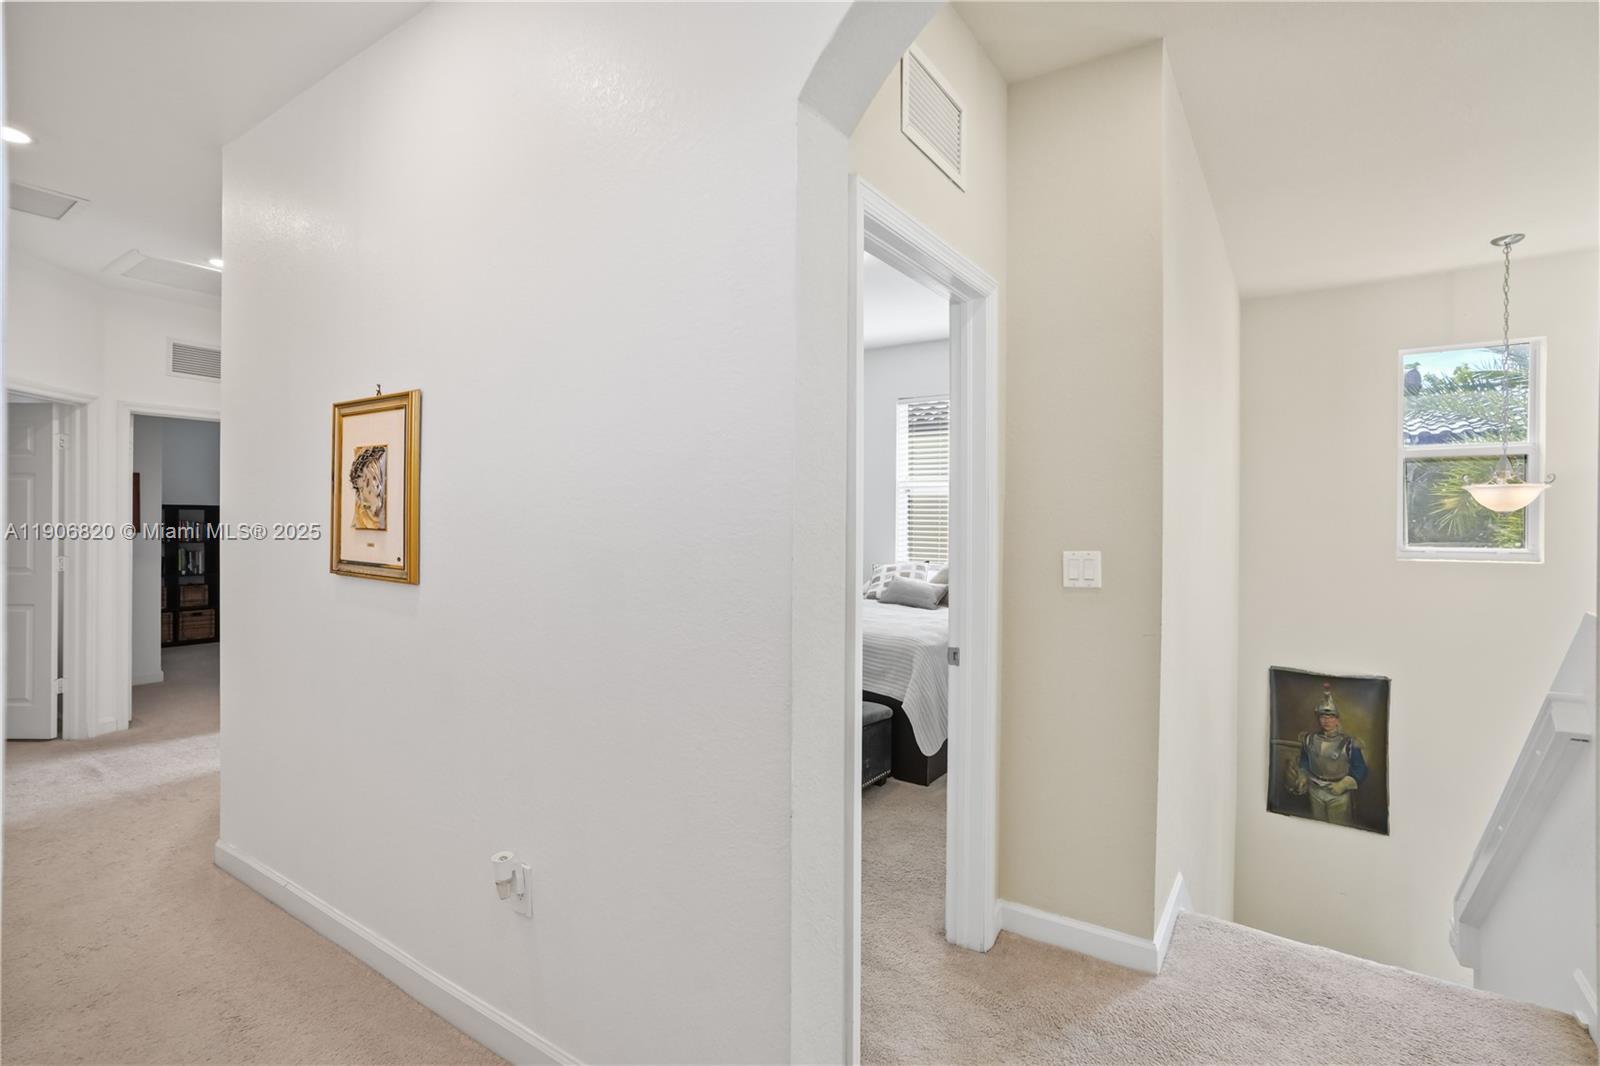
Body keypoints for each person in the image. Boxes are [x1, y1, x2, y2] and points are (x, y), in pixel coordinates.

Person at [1286, 682, 1368, 826]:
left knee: (1339, 828)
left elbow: (1360, 768)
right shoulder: (1309, 739)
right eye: (1323, 717)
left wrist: (1343, 784)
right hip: (1314, 790)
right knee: (1317, 825)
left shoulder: (1349, 743)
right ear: (1318, 719)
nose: (1326, 721)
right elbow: (1305, 760)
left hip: (1338, 793)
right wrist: (1303, 775)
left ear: (1337, 719)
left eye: (1331, 717)